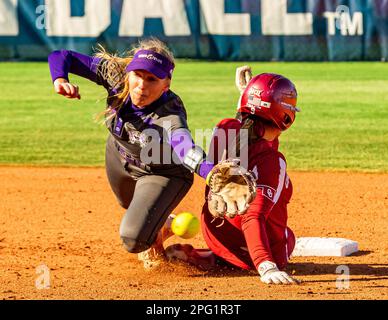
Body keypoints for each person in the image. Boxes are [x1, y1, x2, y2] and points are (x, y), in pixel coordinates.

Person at [47, 38, 222, 269]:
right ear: (128, 73)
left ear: (165, 85)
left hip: (162, 171)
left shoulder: (169, 114)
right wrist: (60, 79)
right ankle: (159, 226)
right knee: (127, 203)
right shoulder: (116, 76)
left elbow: (185, 148)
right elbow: (61, 56)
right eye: (138, 75)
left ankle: (159, 228)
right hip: (119, 156)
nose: (142, 84)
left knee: (134, 239)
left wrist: (212, 174)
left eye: (152, 79)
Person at [165, 70, 302, 285]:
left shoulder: (225, 129)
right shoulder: (273, 161)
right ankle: (243, 259)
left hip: (214, 230)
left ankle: (211, 257)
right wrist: (266, 264)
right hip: (247, 243)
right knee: (288, 239)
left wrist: (247, 97)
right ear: (285, 114)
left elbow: (252, 138)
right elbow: (252, 217)